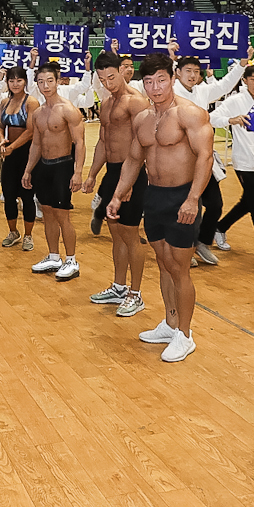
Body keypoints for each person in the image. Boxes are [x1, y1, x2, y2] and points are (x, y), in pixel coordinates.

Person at [107, 53, 213, 362]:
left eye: (161, 80)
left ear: (173, 77)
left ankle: (186, 334)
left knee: (179, 267)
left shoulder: (189, 115)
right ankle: (170, 322)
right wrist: (118, 194)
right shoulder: (143, 119)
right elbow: (132, 160)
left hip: (182, 197)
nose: (155, 88)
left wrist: (193, 198)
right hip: (153, 196)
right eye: (149, 82)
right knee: (163, 262)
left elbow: (205, 157)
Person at [83, 52, 151, 318]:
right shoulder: (106, 105)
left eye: (111, 77)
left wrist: (130, 180)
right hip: (113, 172)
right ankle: (119, 287)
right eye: (102, 79)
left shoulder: (136, 102)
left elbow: (144, 142)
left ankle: (136, 294)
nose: (108, 83)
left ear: (123, 71)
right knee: (116, 232)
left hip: (131, 172)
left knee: (131, 235)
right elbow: (103, 142)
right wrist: (92, 174)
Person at [171, 47, 253, 263]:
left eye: (196, 71)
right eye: (187, 70)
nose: (192, 75)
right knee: (185, 205)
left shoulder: (202, 91)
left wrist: (242, 64)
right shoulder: (170, 92)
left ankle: (202, 241)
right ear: (177, 72)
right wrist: (171, 58)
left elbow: (225, 84)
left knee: (215, 204)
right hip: (178, 160)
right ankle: (183, 247)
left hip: (202, 158)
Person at [211, 67, 254, 268]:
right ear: (244, 80)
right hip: (243, 161)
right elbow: (211, 117)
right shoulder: (235, 101)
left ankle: (220, 227)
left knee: (248, 202)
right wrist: (230, 120)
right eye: (253, 79)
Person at [23, 62, 87, 281]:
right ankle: (53, 256)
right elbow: (36, 145)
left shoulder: (68, 109)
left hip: (63, 165)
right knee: (48, 213)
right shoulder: (38, 113)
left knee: (63, 216)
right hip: (44, 166)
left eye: (49, 81)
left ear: (58, 81)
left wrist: (78, 172)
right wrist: (28, 170)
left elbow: (79, 142)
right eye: (41, 82)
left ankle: (71, 260)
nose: (45, 85)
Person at [0, 67, 39, 250]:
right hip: (9, 154)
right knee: (9, 194)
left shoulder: (32, 102)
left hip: (27, 154)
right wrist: (1, 141)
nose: (15, 84)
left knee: (27, 195)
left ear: (25, 82)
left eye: (19, 80)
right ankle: (13, 232)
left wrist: (11, 147)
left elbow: (30, 132)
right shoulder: (5, 101)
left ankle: (28, 235)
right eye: (11, 80)